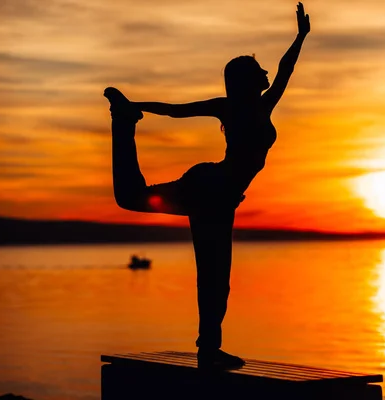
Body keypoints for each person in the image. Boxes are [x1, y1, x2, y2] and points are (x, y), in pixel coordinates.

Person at [104, 2, 310, 370]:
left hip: (215, 191)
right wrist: (136, 103)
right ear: (247, 80)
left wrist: (300, 37)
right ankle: (208, 351)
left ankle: (209, 349)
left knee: (208, 268)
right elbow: (173, 109)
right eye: (257, 70)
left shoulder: (250, 107)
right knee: (213, 274)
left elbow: (284, 68)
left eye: (263, 69)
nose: (265, 73)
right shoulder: (240, 108)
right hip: (213, 192)